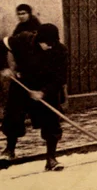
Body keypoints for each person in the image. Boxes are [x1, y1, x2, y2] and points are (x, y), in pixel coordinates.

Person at [0, 24, 68, 171]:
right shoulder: (23, 40)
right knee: (13, 117)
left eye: (53, 43)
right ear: (38, 39)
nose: (50, 46)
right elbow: (1, 45)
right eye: (47, 43)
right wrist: (4, 67)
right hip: (22, 85)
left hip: (47, 88)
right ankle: (9, 150)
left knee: (51, 121)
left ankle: (51, 158)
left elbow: (60, 78)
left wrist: (43, 92)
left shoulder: (60, 50)